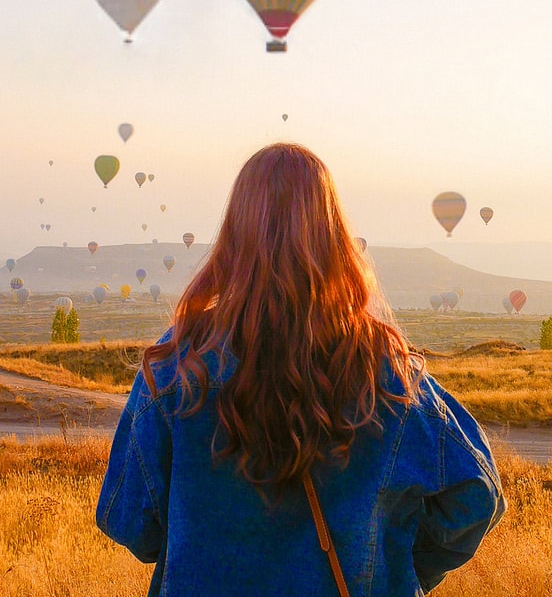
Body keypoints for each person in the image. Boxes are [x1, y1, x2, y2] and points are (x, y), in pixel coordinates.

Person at [97, 142, 505, 596]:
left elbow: (126, 518)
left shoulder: (177, 367)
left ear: (234, 235)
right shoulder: (386, 373)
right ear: (333, 237)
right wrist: (392, 566)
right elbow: (476, 493)